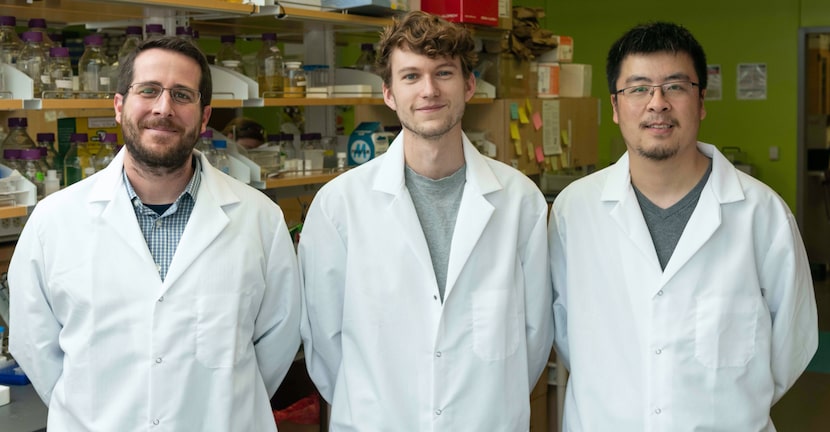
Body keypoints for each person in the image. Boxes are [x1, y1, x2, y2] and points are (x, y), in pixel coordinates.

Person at [8, 36, 301, 431]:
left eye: (182, 95)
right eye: (148, 90)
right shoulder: (54, 221)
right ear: (118, 105)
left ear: (204, 116)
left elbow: (278, 341)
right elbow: (34, 346)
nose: (164, 108)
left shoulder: (260, 220)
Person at [548, 21, 818, 431]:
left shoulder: (762, 214)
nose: (657, 104)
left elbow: (792, 345)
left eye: (675, 86)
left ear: (701, 101)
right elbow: (565, 332)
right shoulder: (575, 210)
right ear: (616, 106)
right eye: (638, 88)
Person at [298, 11, 553, 431]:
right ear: (389, 93)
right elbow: (325, 344)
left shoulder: (519, 201)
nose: (429, 90)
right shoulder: (340, 205)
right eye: (411, 76)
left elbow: (534, 336)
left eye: (444, 73)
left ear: (469, 85)